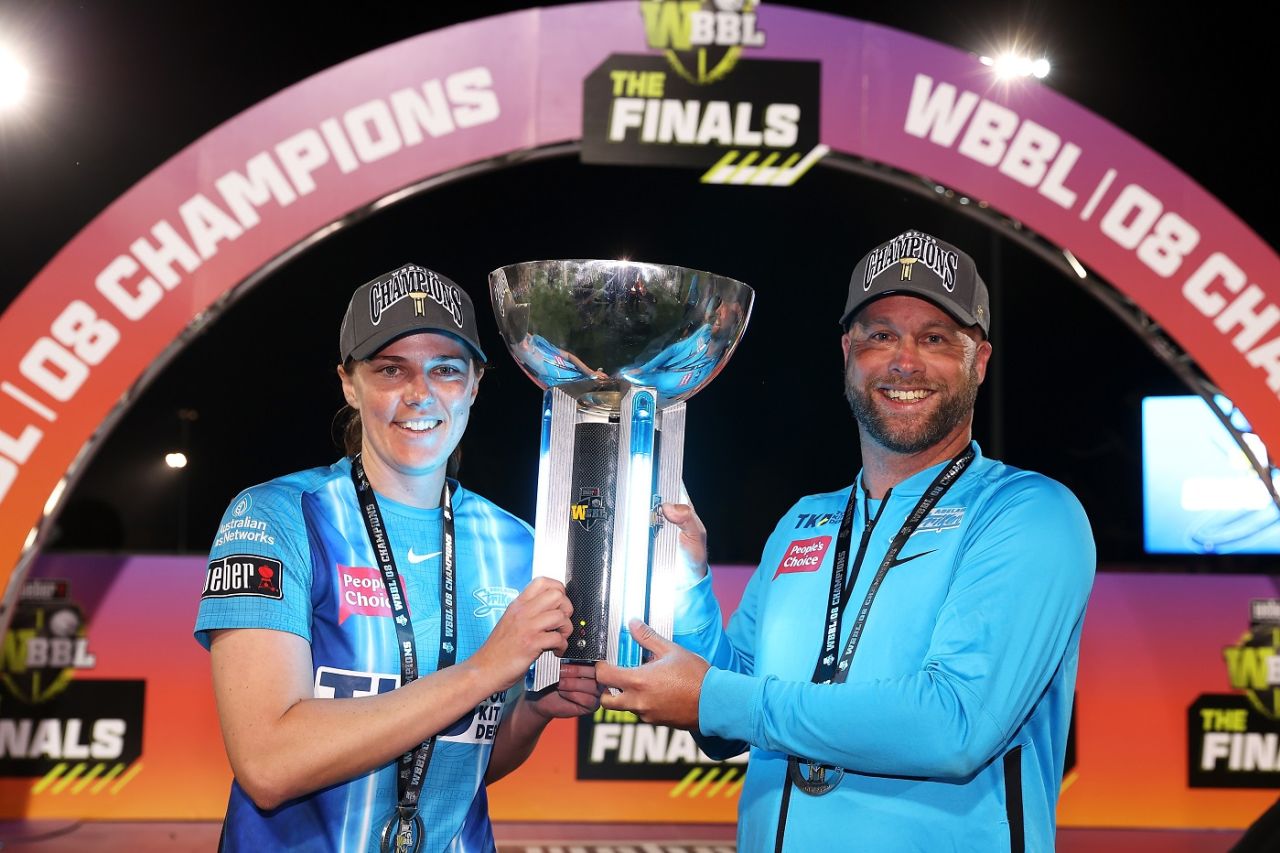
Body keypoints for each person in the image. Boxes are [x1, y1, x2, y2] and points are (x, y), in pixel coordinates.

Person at [598, 230, 1096, 852]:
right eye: (879, 335)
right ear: (847, 352)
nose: (904, 360)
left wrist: (718, 697)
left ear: (980, 360)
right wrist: (691, 583)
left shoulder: (1028, 514)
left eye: (935, 338)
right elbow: (723, 723)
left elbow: (955, 726)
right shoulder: (807, 521)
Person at [194, 262, 598, 852]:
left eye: (446, 370)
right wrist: (486, 669)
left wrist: (533, 714)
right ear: (348, 384)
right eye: (390, 369)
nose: (420, 393)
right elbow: (269, 762)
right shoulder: (277, 517)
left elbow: (465, 764)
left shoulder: (517, 545)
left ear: (476, 385)